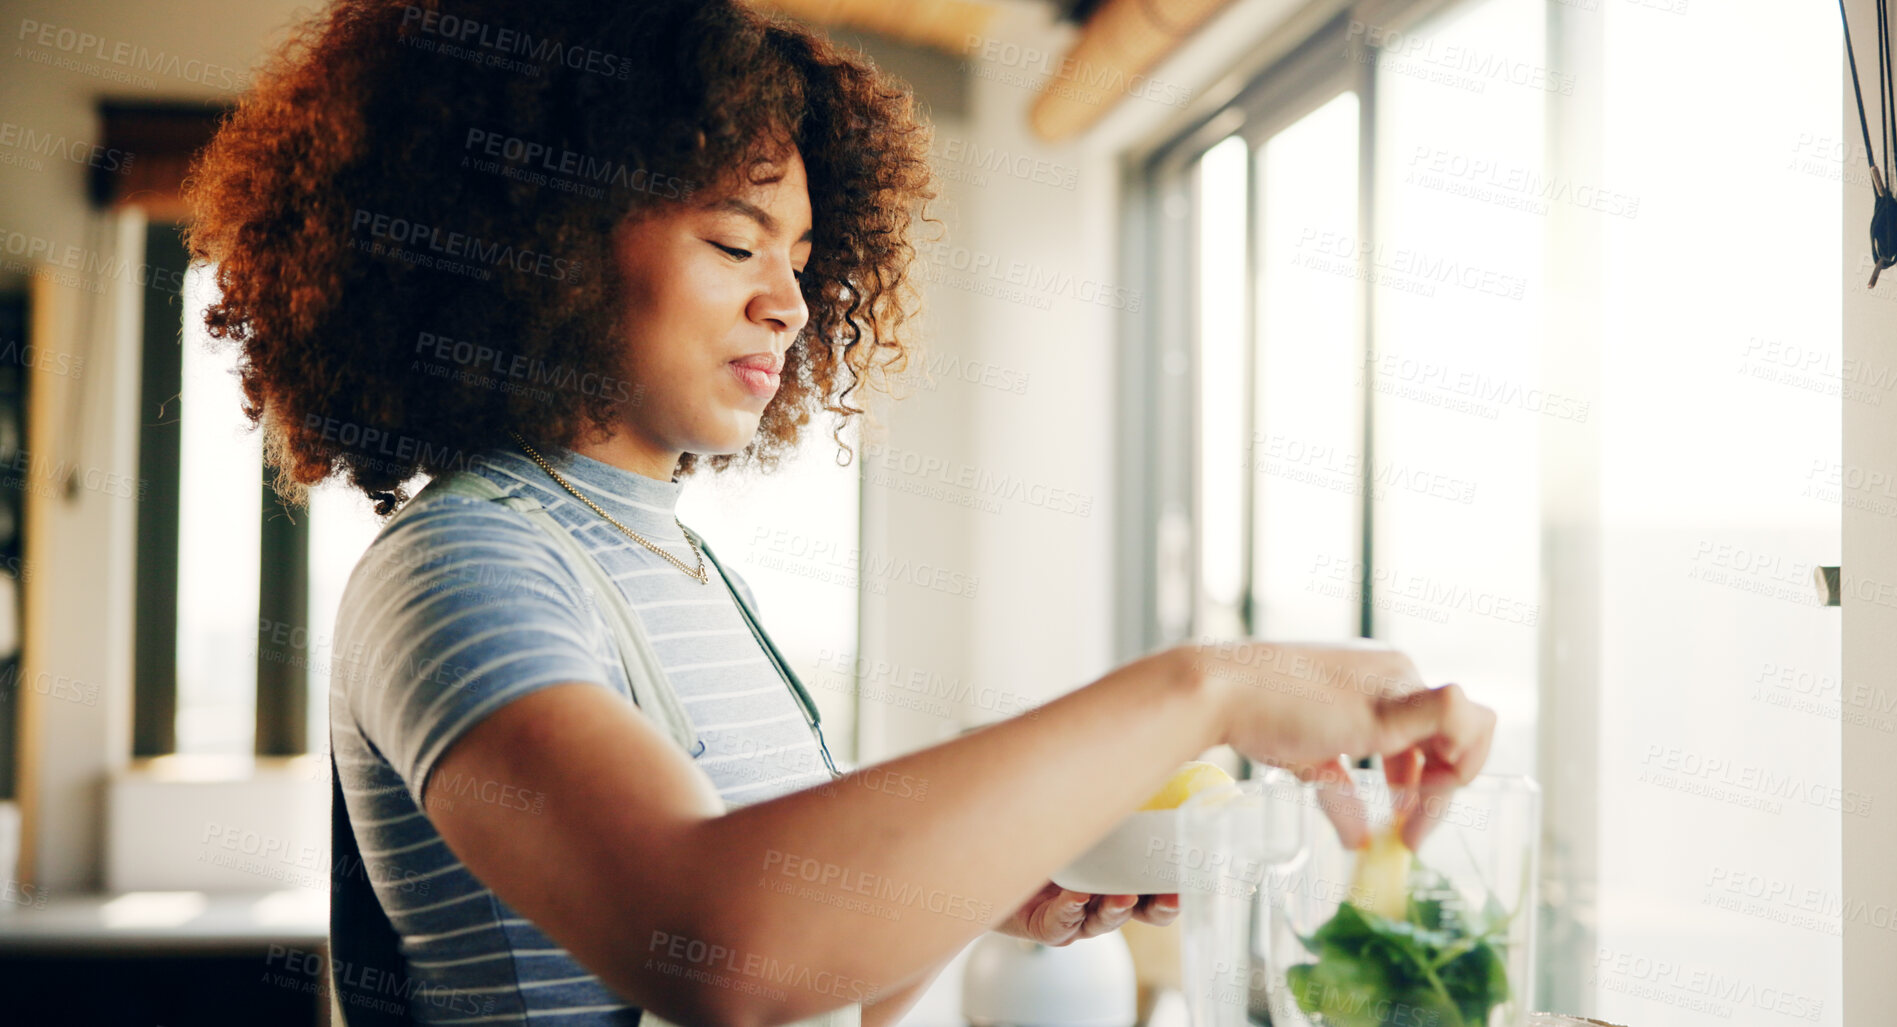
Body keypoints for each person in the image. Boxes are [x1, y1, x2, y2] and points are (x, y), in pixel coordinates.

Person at [183, 1, 1496, 1025]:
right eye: (734, 241)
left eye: (803, 260)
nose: (791, 301)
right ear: (548, 238)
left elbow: (800, 993)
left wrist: (989, 886)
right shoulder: (462, 563)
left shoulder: (674, 565)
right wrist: (1206, 689)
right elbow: (725, 946)